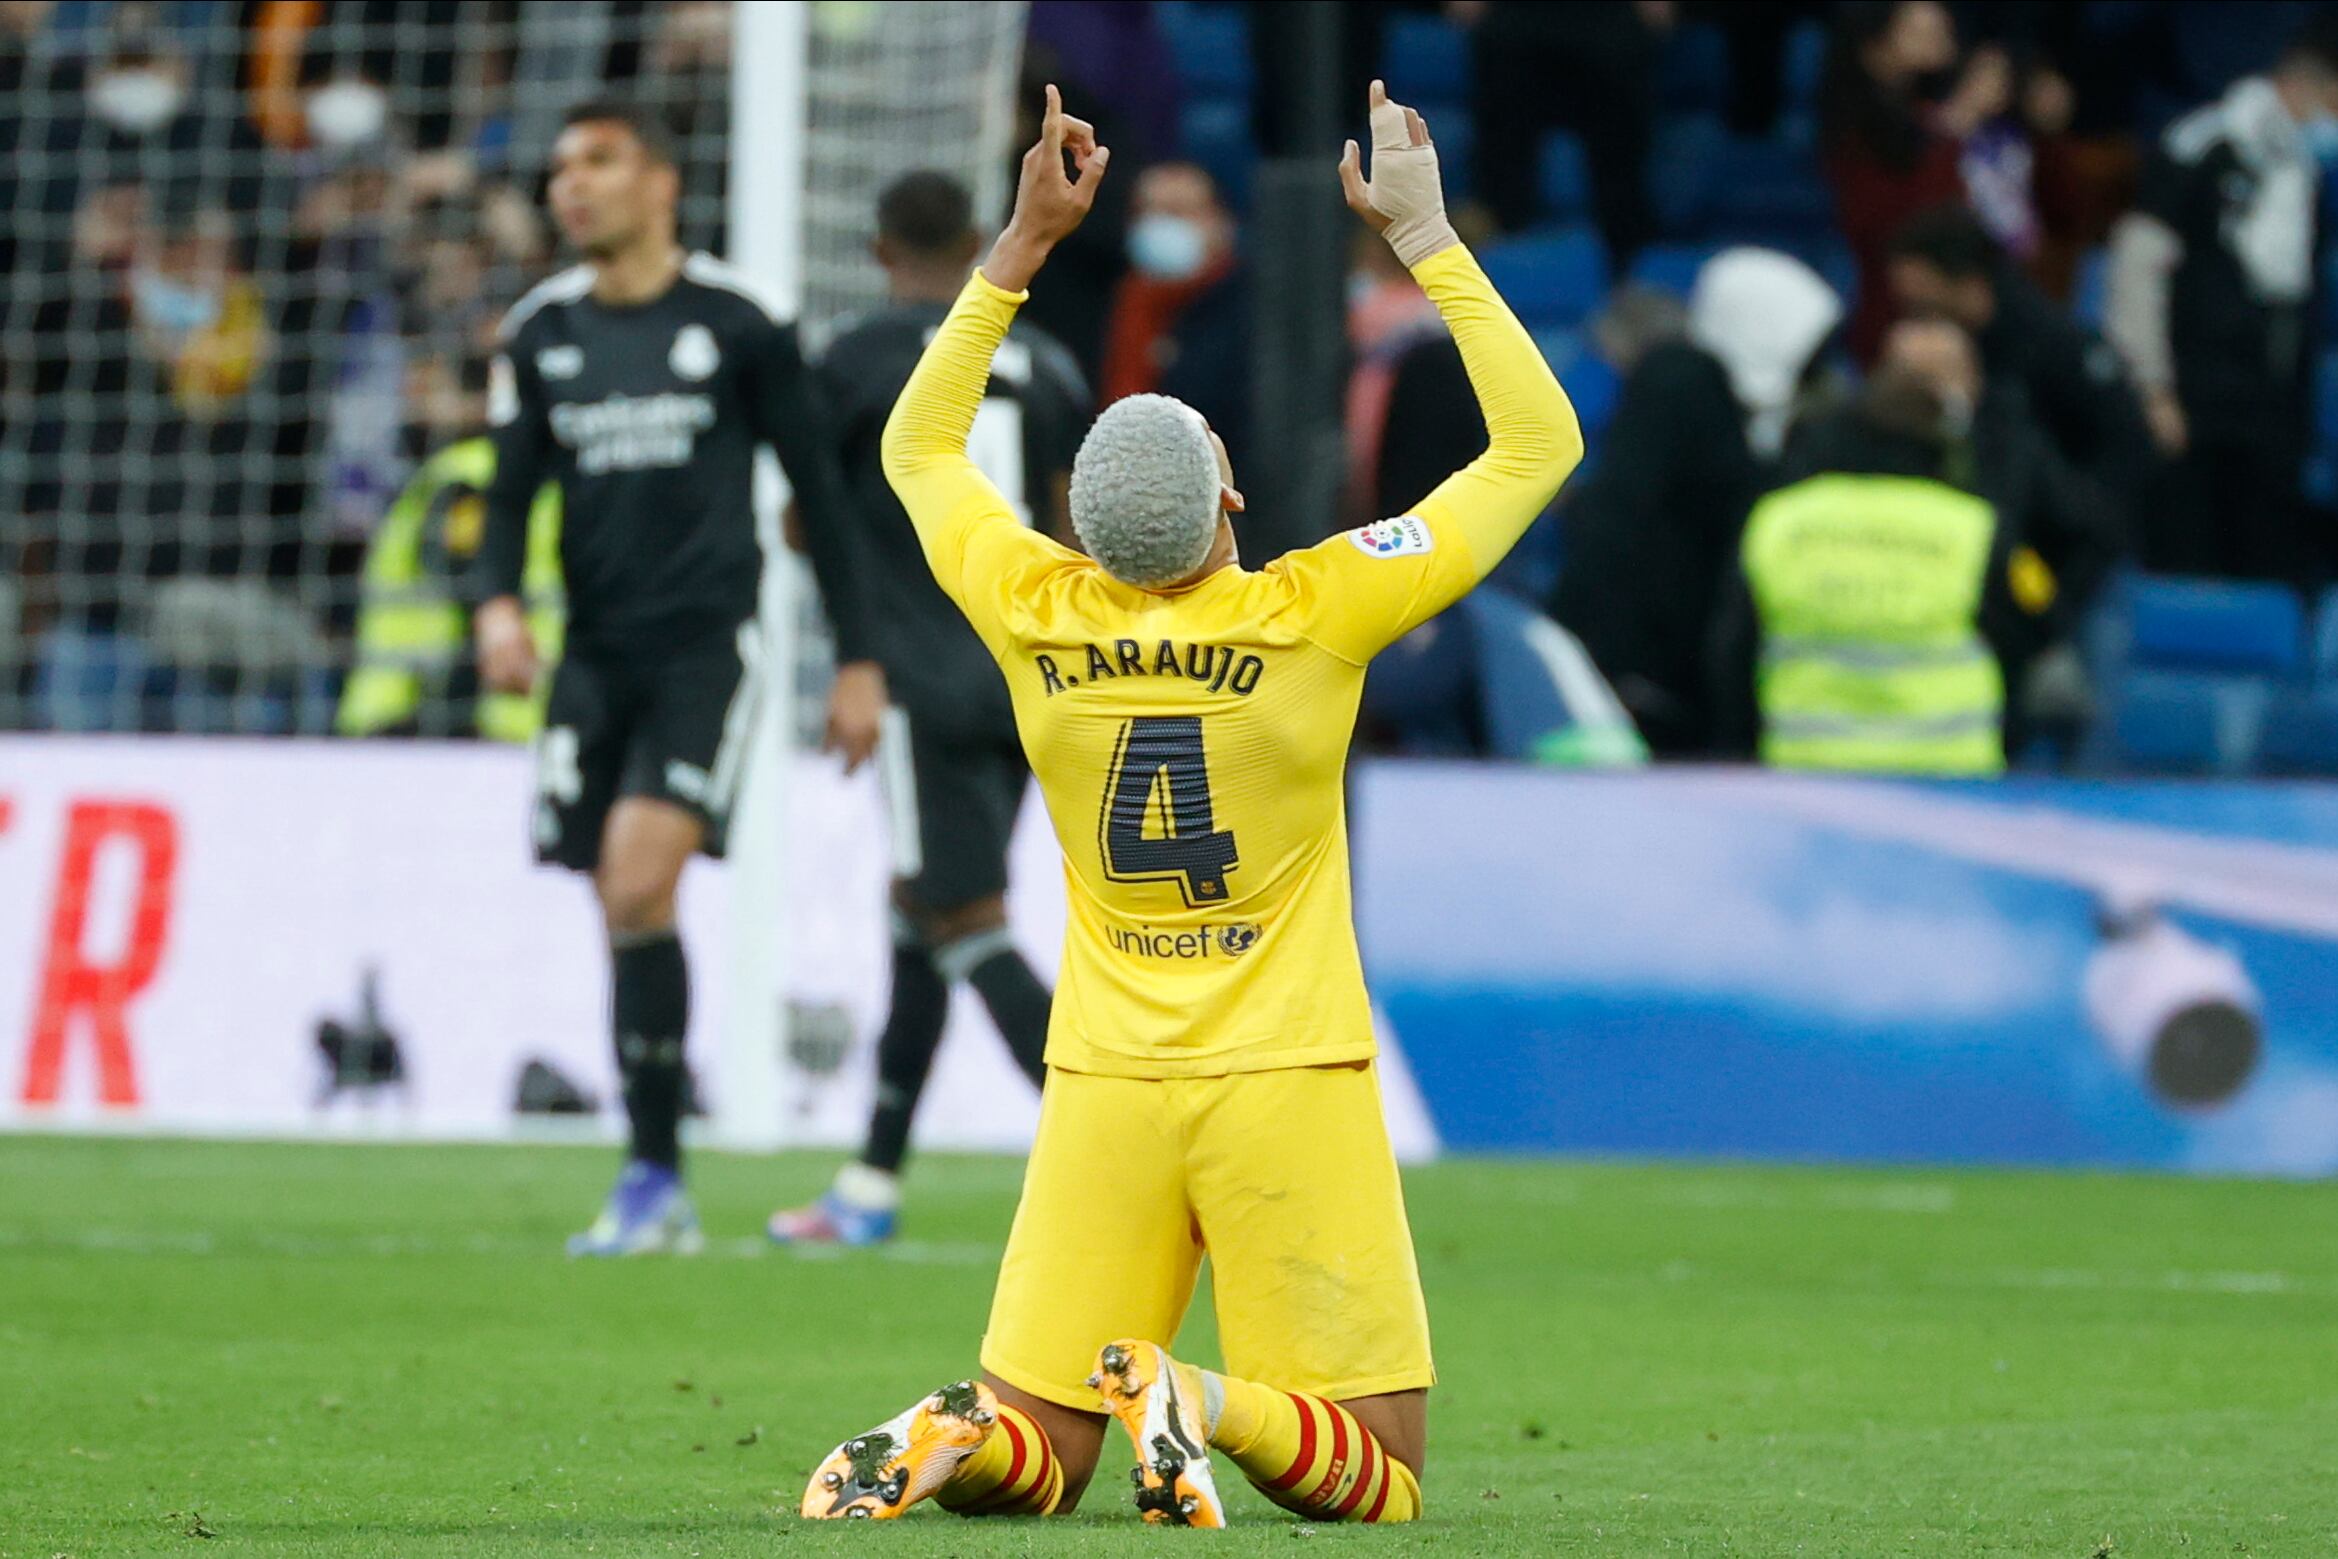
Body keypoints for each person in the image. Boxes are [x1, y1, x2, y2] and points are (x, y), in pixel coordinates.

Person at [798, 81, 1581, 1526]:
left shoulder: (1031, 602)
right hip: (1285, 1072)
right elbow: (1536, 446)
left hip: (1101, 1075)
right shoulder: (1313, 609)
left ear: (1082, 528)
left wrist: (1019, 247)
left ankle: (952, 1434)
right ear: (1226, 500)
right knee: (1381, 1469)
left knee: (1048, 1447)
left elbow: (917, 449)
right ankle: (1199, 1397)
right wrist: (1423, 234)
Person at [472, 100, 881, 1256]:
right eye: (559, 168)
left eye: (598, 162)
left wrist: (857, 660)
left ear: (659, 184)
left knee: (634, 881)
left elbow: (824, 495)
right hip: (591, 653)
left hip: (709, 647)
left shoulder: (740, 322)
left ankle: (652, 1172)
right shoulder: (540, 330)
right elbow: (508, 493)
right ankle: (658, 1168)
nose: (571, 185)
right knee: (620, 903)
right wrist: (497, 602)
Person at [767, 171, 1089, 1247]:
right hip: (1031, 677)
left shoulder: (857, 361)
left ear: (876, 249)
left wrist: (859, 651)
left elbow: (806, 523)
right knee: (923, 905)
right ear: (970, 241)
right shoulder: (1046, 364)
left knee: (960, 917)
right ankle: (869, 1180)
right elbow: (1072, 527)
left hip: (914, 673)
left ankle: (1114, 1154)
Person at [1711, 317, 2116, 772]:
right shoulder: (1972, 530)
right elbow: (2028, 628)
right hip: (1948, 777)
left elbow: (1732, 651)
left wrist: (1743, 756)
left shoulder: (1779, 520)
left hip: (1808, 770)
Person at [1554, 248, 1842, 755]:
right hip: (1650, 679)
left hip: (1702, 679)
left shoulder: (1760, 417)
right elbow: (1617, 526)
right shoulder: (1679, 384)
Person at [2104, 19, 2338, 585]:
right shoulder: (2199, 145)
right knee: (2189, 567)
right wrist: (2153, 389)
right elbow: (2138, 271)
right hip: (2193, 404)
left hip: (2273, 410)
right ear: (2311, 87)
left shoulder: (2307, 169)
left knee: (2267, 570)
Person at [1889, 202, 2150, 540]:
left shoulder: (2056, 348)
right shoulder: (1951, 350)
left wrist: (2086, 522)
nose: (1914, 319)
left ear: (1968, 283)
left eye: (1922, 302)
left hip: (2064, 533)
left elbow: (2126, 443)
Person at [1098, 161, 1250, 470]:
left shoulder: (1248, 311)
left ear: (1221, 222)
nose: (1160, 225)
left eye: (1178, 212)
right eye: (1148, 212)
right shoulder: (1124, 300)